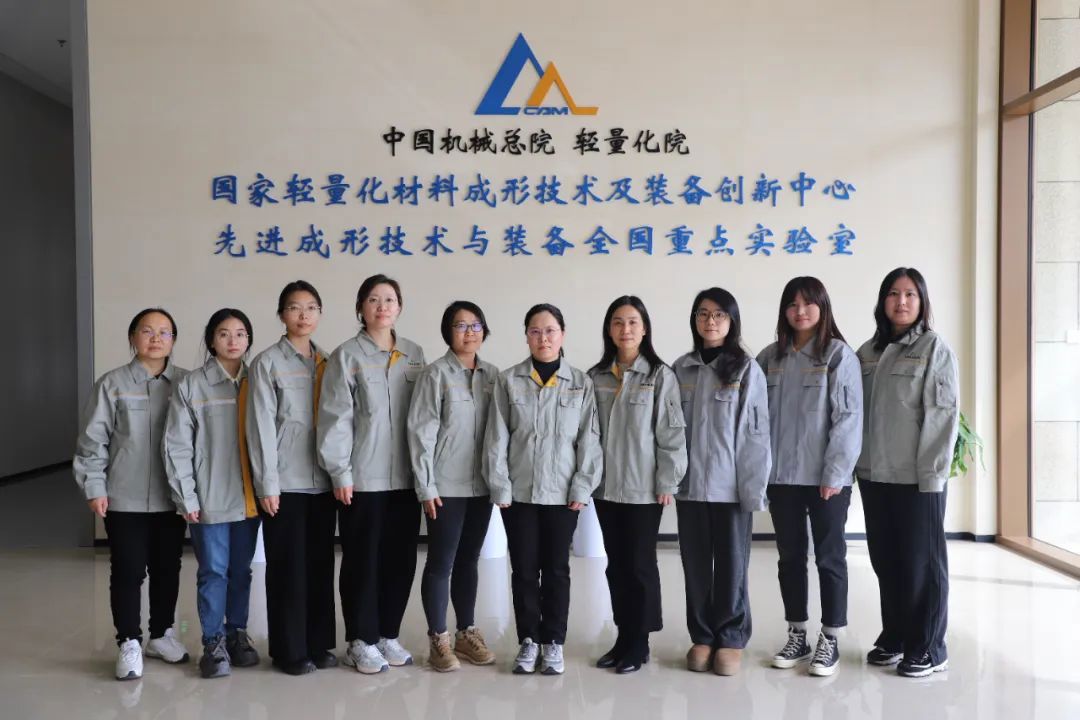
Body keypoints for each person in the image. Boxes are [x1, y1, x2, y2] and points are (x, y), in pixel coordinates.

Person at [483, 303, 603, 676]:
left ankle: (553, 641)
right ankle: (528, 640)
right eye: (535, 331)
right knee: (523, 569)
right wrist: (500, 487)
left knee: (556, 570)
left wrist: (582, 486)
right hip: (519, 495)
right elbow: (496, 437)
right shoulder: (509, 380)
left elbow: (589, 441)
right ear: (527, 336)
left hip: (562, 496)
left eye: (550, 330)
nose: (543, 338)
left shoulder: (580, 383)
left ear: (562, 335)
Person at [318, 274, 426, 674]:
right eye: (374, 300)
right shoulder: (346, 355)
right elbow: (335, 418)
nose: (382, 306)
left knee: (401, 559)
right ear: (361, 308)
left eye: (390, 299)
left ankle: (387, 634)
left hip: (406, 478)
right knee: (362, 561)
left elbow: (426, 416)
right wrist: (340, 473)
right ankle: (360, 640)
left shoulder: (414, 354)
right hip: (362, 479)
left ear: (400, 307)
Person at [73, 308, 190, 680]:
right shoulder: (112, 384)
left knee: (167, 568)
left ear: (173, 340)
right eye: (147, 331)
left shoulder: (186, 383)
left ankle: (161, 634)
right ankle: (129, 641)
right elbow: (93, 442)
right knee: (127, 569)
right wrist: (94, 487)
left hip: (173, 496)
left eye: (164, 332)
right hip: (123, 496)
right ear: (132, 337)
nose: (155, 338)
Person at [756, 277, 862, 677]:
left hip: (825, 479)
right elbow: (754, 419)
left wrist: (836, 472)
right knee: (790, 558)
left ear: (823, 307)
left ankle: (830, 637)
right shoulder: (770, 357)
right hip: (782, 477)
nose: (800, 311)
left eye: (808, 303)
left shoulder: (837, 355)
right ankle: (797, 633)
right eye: (792, 304)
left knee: (830, 557)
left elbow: (848, 419)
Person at [855, 267, 959, 678]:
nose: (901, 302)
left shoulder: (933, 348)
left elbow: (942, 416)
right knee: (887, 561)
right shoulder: (867, 352)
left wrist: (932, 475)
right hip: (875, 474)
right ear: (882, 300)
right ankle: (896, 635)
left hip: (917, 478)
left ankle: (929, 646)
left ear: (922, 302)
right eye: (893, 294)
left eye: (910, 294)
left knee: (923, 565)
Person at [673, 287, 771, 677]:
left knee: (732, 565)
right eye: (703, 313)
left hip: (730, 488)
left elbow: (756, 435)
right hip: (690, 486)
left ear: (732, 321)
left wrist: (753, 489)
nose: (710, 321)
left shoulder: (746, 369)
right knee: (695, 564)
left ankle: (730, 637)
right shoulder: (681, 369)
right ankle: (702, 635)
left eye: (719, 314)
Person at [588, 295, 687, 674]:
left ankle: (640, 642)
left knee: (640, 565)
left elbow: (672, 434)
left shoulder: (659, 376)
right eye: (617, 322)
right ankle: (623, 635)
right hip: (606, 489)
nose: (625, 329)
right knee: (616, 565)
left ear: (644, 329)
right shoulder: (596, 376)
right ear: (608, 329)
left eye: (632, 322)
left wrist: (668, 481)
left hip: (644, 489)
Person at [165, 308, 261, 679]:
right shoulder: (193, 385)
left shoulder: (258, 379)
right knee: (213, 572)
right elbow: (177, 445)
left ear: (249, 339)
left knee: (241, 571)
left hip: (250, 497)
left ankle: (237, 633)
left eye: (240, 333)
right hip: (209, 498)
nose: (233, 341)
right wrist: (186, 497)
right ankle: (213, 642)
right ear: (211, 340)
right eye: (224, 333)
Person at [246, 281, 336, 675]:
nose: (304, 315)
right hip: (285, 482)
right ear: (282, 314)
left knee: (319, 564)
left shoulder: (329, 361)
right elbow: (260, 427)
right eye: (295, 307)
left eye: (311, 307)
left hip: (324, 480)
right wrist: (267, 483)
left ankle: (318, 643)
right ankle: (288, 649)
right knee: (287, 567)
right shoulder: (267, 363)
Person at [407, 301, 499, 672]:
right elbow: (420, 433)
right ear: (448, 332)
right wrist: (426, 485)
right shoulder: (435, 375)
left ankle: (466, 632)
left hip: (481, 486)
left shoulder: (493, 376)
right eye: (461, 325)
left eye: (475, 325)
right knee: (441, 562)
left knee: (468, 560)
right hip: (445, 486)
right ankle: (438, 639)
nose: (469, 332)